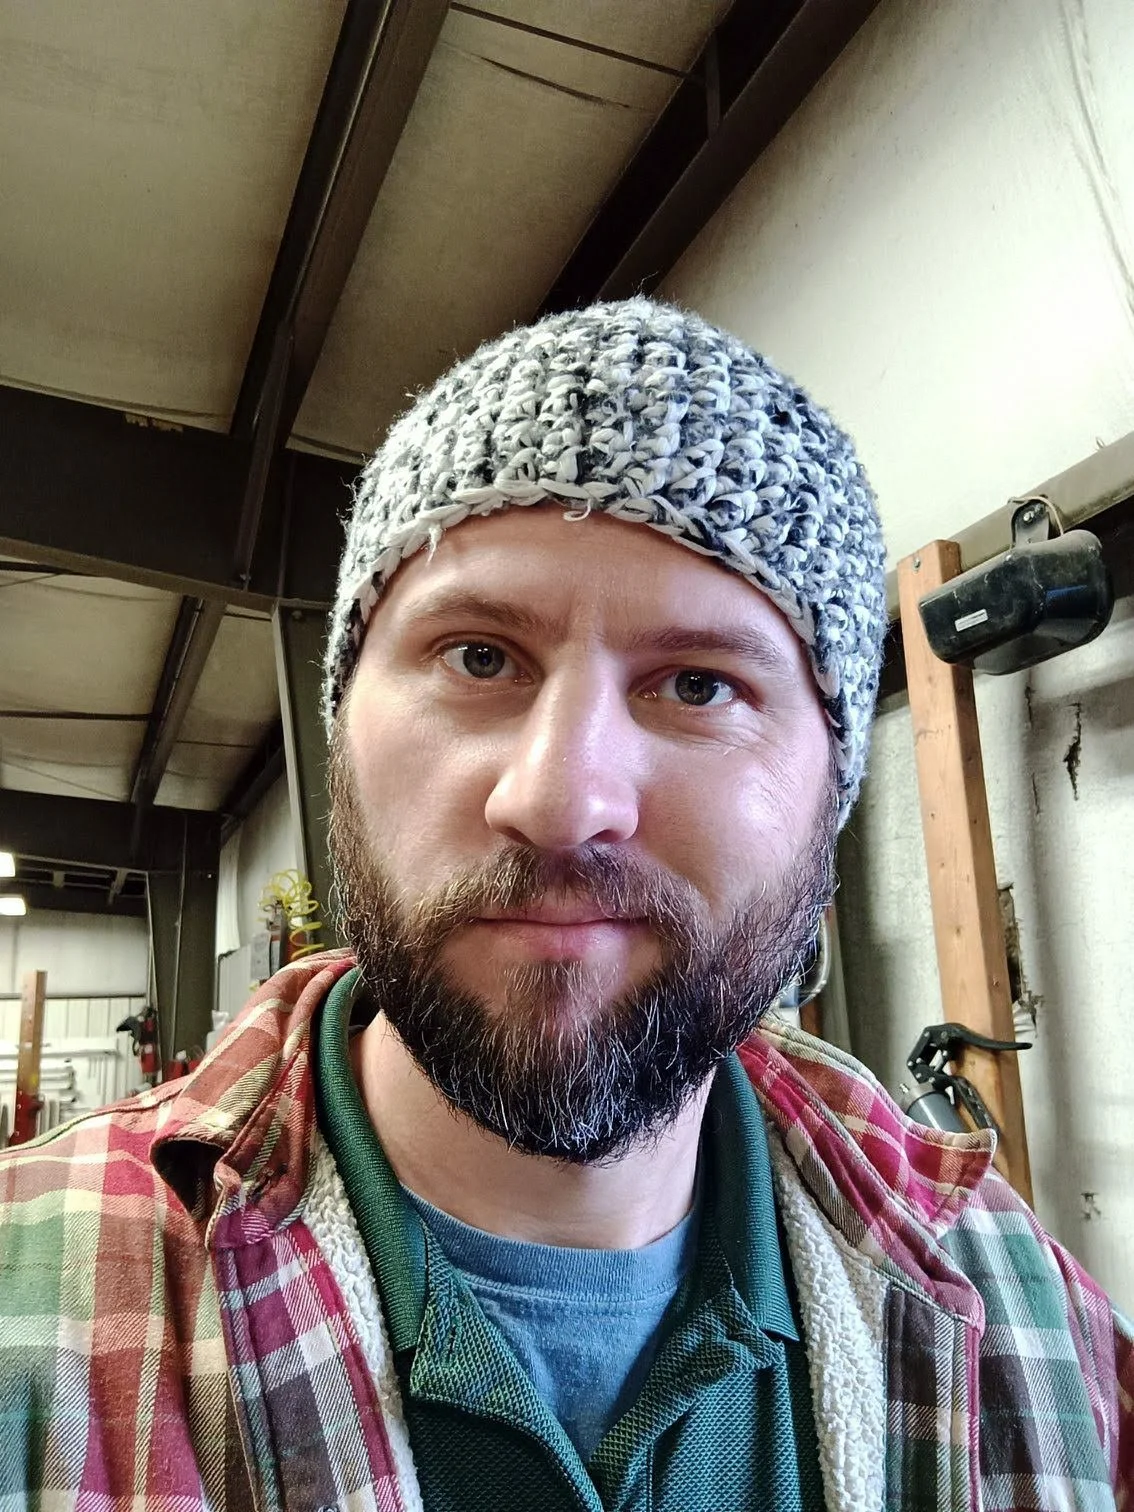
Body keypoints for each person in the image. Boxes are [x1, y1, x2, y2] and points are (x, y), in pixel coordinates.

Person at [0, 299, 1129, 1511]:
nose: (558, 799)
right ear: (345, 731)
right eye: (479, 657)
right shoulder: (36, 1315)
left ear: (830, 790)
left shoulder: (1035, 1334)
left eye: (699, 683)